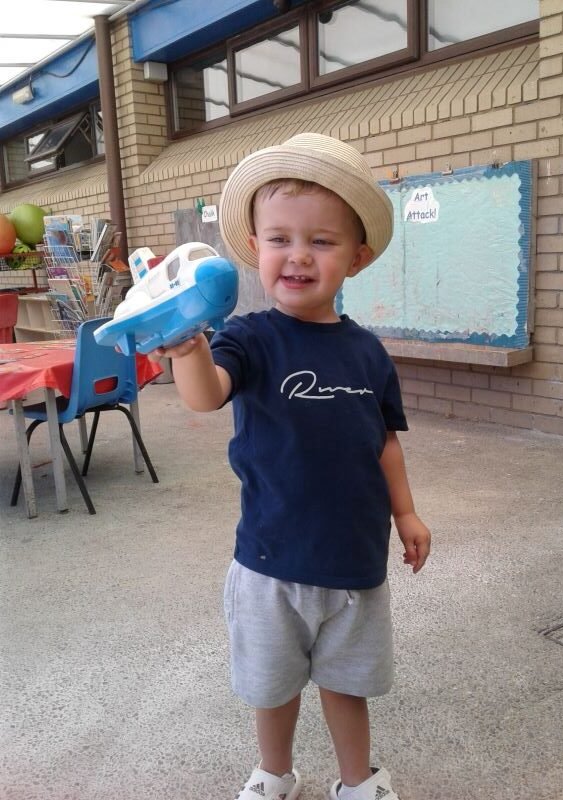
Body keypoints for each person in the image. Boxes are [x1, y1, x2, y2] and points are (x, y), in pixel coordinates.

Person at [153, 133, 431, 800]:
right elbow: (207, 395)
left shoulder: (368, 353)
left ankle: (357, 780)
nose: (298, 254)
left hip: (353, 561)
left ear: (356, 257)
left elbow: (385, 441)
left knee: (346, 683)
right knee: (272, 687)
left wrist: (407, 512)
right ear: (256, 248)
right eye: (280, 238)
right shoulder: (249, 337)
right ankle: (274, 772)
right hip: (270, 560)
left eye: (321, 241)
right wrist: (188, 348)